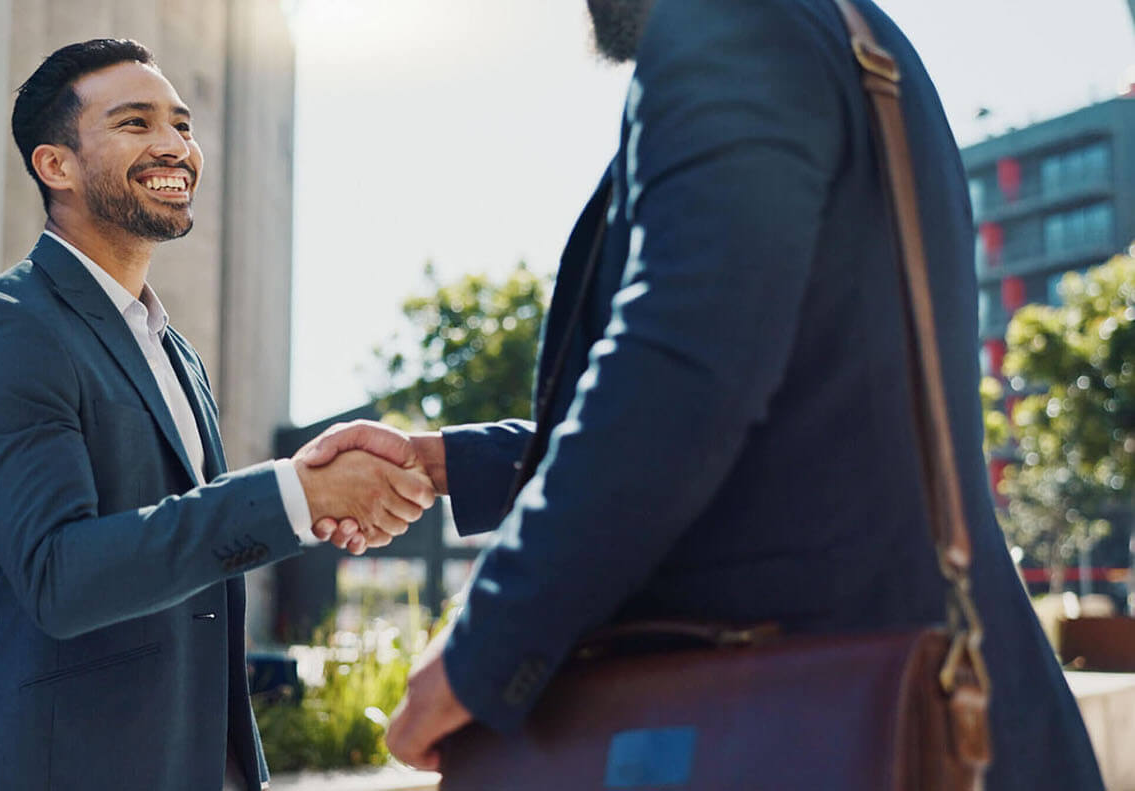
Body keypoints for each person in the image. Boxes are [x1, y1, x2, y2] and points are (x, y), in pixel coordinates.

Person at [305, 0, 1105, 787]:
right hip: (897, 704)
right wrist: (443, 461)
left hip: (829, 722)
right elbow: (777, 409)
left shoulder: (730, 19)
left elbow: (681, 374)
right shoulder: (839, 31)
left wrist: (485, 648)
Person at [0, 39, 435, 791]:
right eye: (135, 123)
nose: (175, 146)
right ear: (55, 165)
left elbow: (191, 552)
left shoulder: (177, 354)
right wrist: (295, 495)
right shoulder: (5, 324)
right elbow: (58, 575)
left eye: (182, 124)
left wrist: (317, 509)